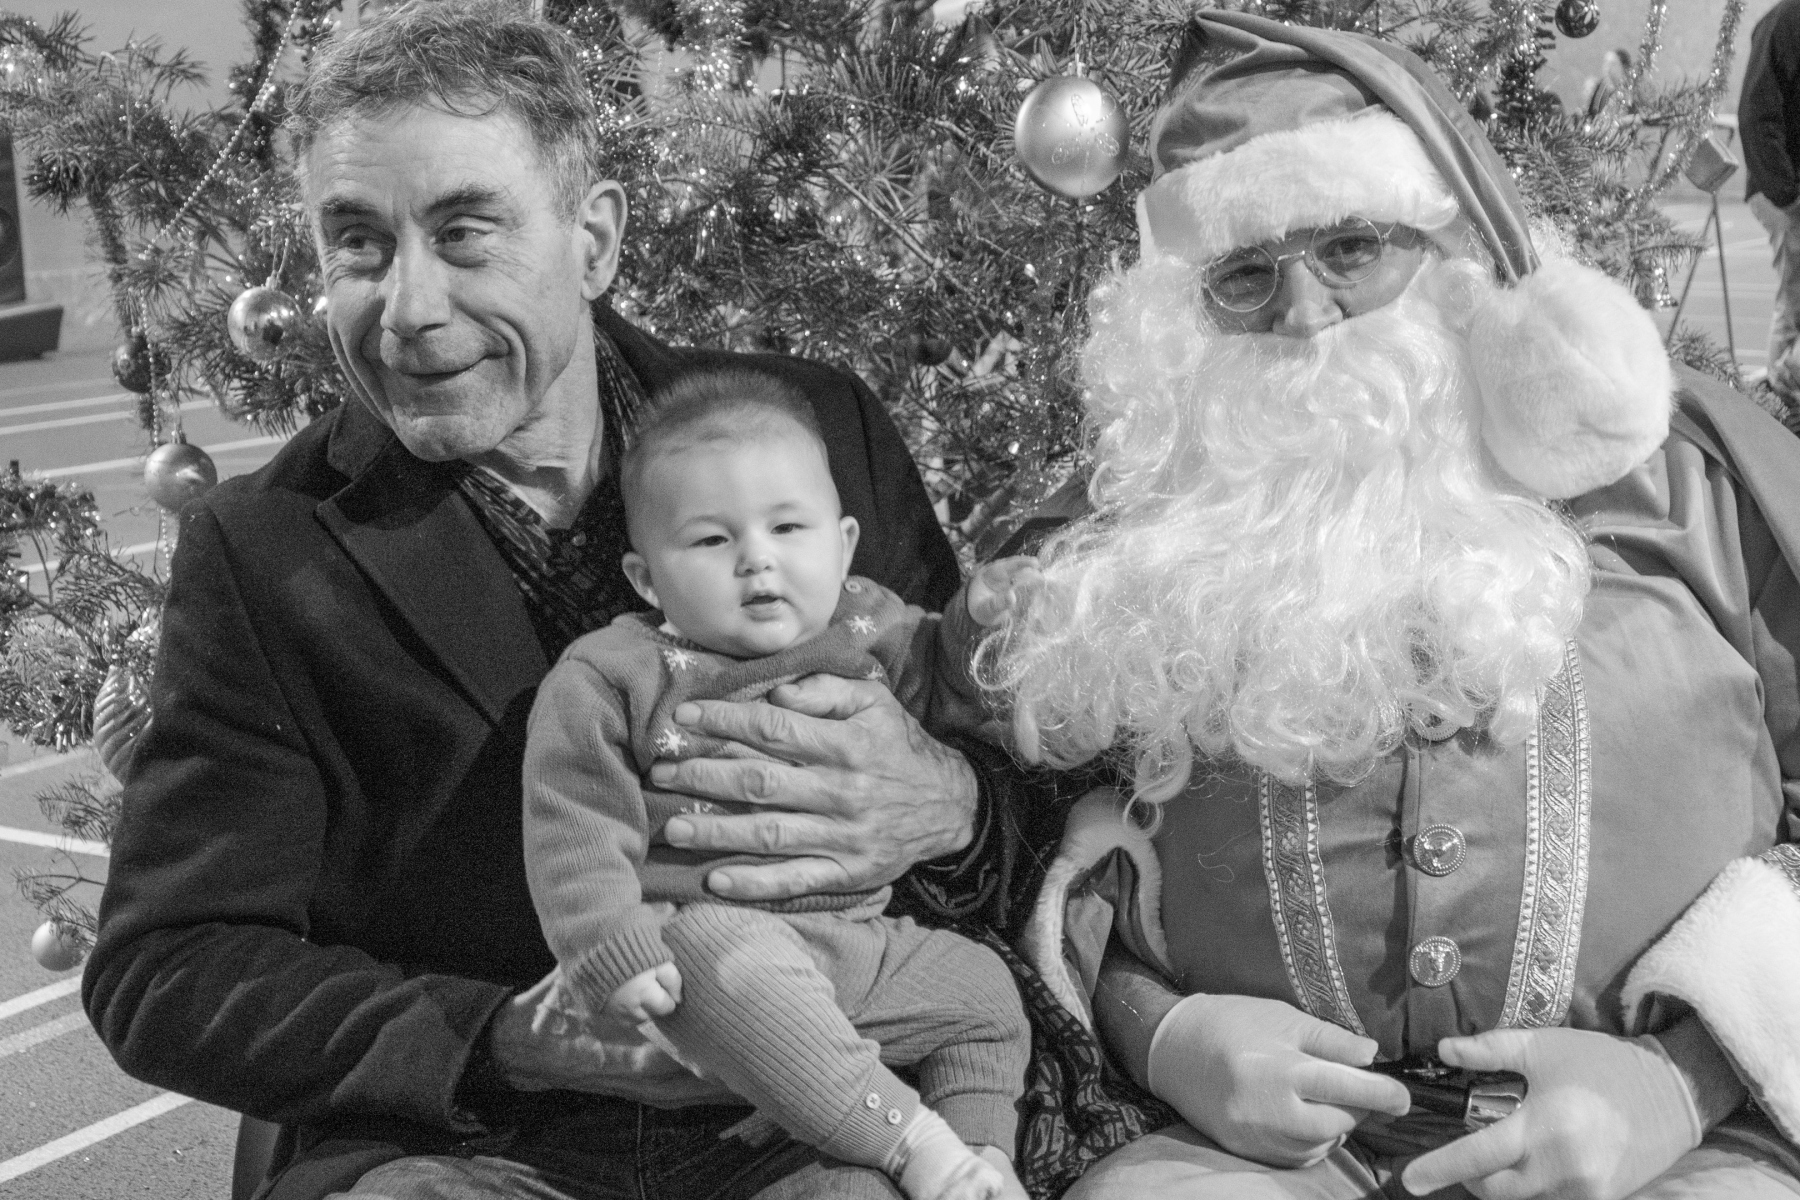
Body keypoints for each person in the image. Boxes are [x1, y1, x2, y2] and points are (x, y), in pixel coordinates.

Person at [82, 4, 1010, 1198]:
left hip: (820, 1113)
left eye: (465, 233)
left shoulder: (815, 432)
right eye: (358, 244)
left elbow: (1019, 773)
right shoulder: (265, 553)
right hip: (482, 1143)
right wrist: (510, 1038)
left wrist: (951, 804)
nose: (408, 308)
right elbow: (165, 969)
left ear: (595, 240)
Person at [992, 11, 1800, 1199]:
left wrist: (1686, 1078)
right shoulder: (1114, 550)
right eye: (1246, 276)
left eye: (1352, 247)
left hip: (1677, 1147)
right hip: (1252, 1158)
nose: (1304, 315)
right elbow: (1003, 832)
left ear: (1451, 250)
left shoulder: (1700, 489)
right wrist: (1158, 1030)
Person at [524, 368, 1036, 1200]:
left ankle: (985, 1158)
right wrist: (608, 945)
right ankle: (914, 1145)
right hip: (710, 954)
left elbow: (946, 681)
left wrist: (982, 628)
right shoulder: (614, 673)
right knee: (721, 955)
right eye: (711, 541)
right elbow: (572, 825)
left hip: (856, 946)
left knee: (984, 991)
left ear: (842, 544)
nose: (757, 559)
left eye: (788, 527)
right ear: (647, 578)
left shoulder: (864, 621)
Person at [1742, 0, 1800, 400]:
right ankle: (1780, 409)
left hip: (1787, 187)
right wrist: (1787, 194)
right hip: (1783, 191)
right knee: (1795, 306)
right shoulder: (1785, 21)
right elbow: (1755, 113)